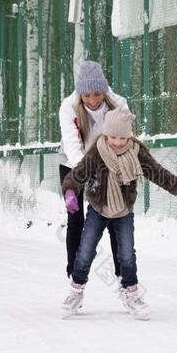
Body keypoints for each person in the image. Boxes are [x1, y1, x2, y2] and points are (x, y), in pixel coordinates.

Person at [60, 106, 177, 320]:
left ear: (130, 135)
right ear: (106, 134)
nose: (118, 142)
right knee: (85, 251)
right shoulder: (98, 151)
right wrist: (71, 192)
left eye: (123, 137)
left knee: (127, 255)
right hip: (98, 209)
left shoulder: (137, 152)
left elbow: (158, 173)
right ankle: (75, 292)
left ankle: (132, 295)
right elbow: (78, 174)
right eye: (113, 137)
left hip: (123, 211)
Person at [58, 61, 128, 280]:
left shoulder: (118, 105)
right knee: (76, 219)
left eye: (97, 94)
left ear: (104, 90)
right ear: (80, 94)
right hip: (73, 164)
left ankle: (123, 277)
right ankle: (74, 276)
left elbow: (125, 139)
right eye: (86, 95)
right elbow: (72, 145)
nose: (92, 100)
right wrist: (87, 174)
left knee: (114, 216)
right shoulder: (69, 107)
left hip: (108, 164)